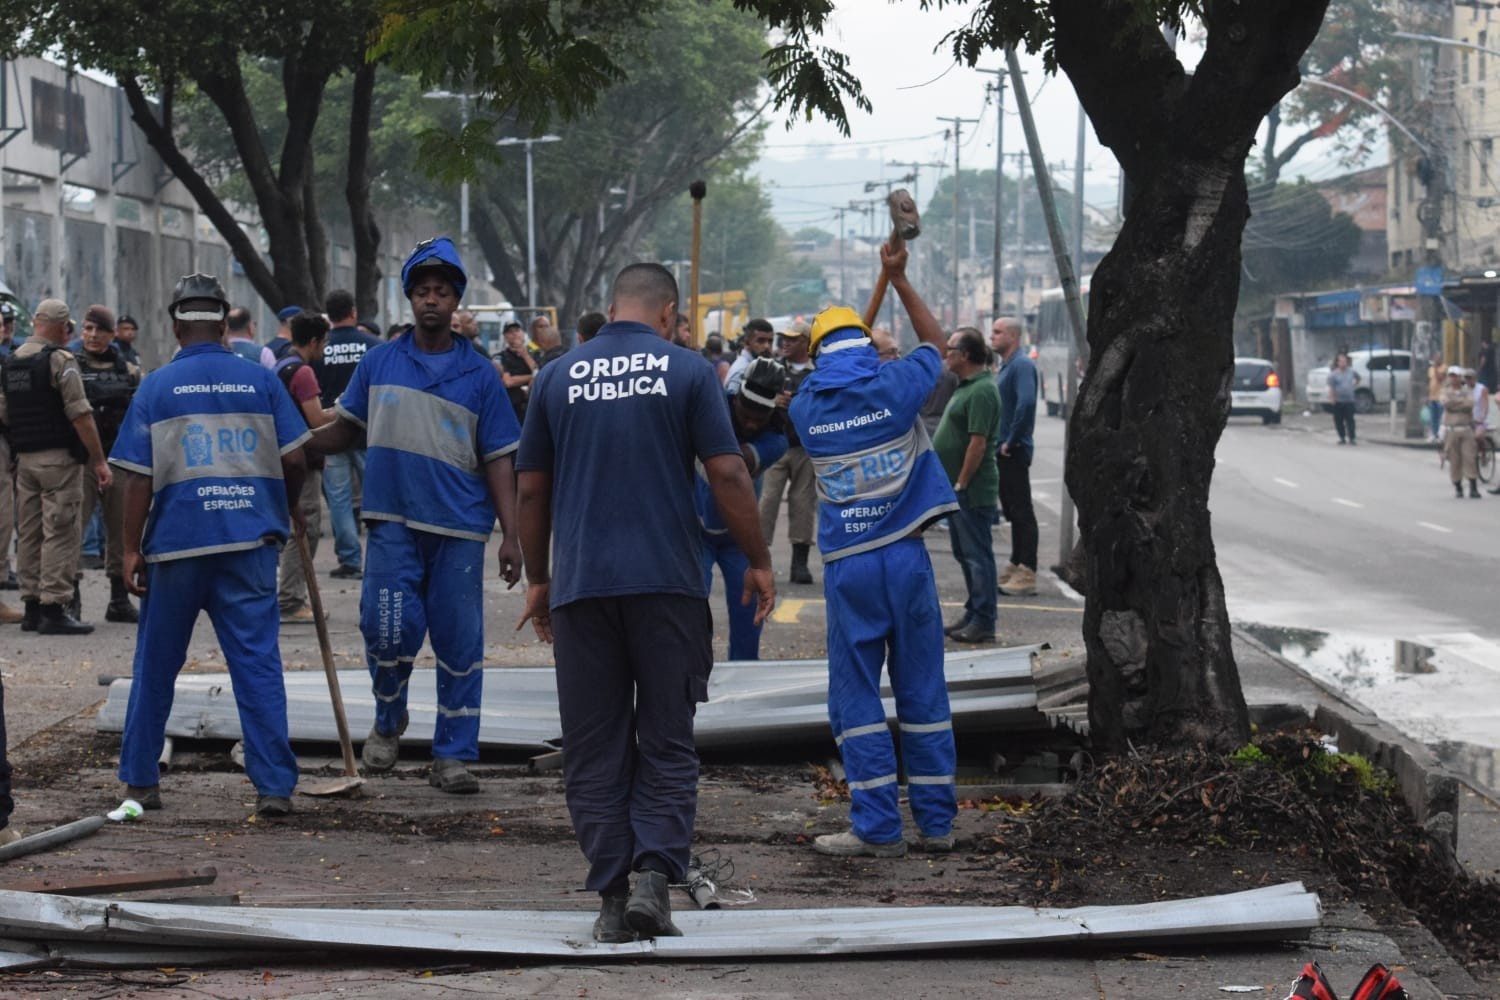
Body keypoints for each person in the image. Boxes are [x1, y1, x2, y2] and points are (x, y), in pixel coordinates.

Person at [515, 262, 774, 943]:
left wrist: (539, 579)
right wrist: (759, 559)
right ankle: (655, 884)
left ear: (611, 306)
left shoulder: (555, 377)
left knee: (595, 746)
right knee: (665, 737)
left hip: (582, 590)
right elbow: (727, 471)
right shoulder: (688, 372)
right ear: (668, 314)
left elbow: (531, 491)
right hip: (668, 586)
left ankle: (610, 897)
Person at [314, 237, 522, 796]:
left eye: (442, 291)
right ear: (409, 298)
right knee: (386, 630)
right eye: (423, 291)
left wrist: (512, 536)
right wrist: (296, 446)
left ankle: (453, 754)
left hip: (458, 529)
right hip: (391, 523)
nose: (432, 299)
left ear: (456, 301)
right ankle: (388, 721)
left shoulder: (481, 376)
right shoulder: (379, 362)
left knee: (459, 642)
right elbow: (345, 428)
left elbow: (501, 459)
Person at [110, 272, 309, 817]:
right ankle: (274, 789)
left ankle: (141, 783)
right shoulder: (261, 382)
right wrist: (281, 506)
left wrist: (130, 550)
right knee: (256, 664)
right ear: (225, 324)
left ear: (175, 326)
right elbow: (295, 458)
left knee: (155, 665)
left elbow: (135, 478)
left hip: (175, 547)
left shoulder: (155, 387)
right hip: (248, 543)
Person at [786, 247, 959, 860]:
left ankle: (878, 829)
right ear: (867, 350)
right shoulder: (897, 386)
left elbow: (825, 378)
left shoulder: (806, 410)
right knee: (923, 691)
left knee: (856, 696)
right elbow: (939, 344)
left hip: (848, 568)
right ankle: (938, 825)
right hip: (906, 558)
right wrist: (901, 280)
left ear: (814, 357)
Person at [1, 299, 111, 634]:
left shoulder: (11, 362)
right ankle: (53, 607)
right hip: (60, 459)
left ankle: (32, 605)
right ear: (63, 328)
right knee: (61, 532)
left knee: (31, 534)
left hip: (25, 460)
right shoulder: (60, 360)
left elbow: (4, 413)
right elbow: (80, 414)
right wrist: (98, 459)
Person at [698, 357, 787, 660]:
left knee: (749, 615)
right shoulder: (715, 404)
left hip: (739, 537)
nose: (751, 424)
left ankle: (745, 673)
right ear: (737, 399)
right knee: (690, 610)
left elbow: (734, 464)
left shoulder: (777, 438)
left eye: (758, 420)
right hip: (693, 529)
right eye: (746, 415)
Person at [76, 304, 144, 623]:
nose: (91, 335)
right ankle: (69, 598)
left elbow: (140, 415)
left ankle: (119, 598)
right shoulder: (70, 365)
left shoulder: (127, 370)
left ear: (111, 334)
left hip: (117, 459)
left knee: (119, 530)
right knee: (73, 529)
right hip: (83, 460)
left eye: (99, 330)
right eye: (87, 329)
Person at [934, 327, 1001, 644]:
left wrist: (961, 482)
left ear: (966, 355)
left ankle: (984, 620)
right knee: (965, 555)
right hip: (955, 488)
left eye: (950, 349)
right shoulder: (966, 386)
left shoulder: (983, 390)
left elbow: (978, 443)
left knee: (978, 557)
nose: (946, 354)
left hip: (971, 491)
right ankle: (973, 611)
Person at [314, 289, 381, 580]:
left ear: (329, 315)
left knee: (339, 500)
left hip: (332, 433)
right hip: (370, 432)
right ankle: (385, 556)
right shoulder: (374, 347)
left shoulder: (321, 349)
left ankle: (351, 560)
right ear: (353, 311)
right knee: (380, 497)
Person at [275, 311, 336, 624]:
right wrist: (341, 411)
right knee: (304, 528)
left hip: (281, 456)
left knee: (296, 528)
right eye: (324, 343)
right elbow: (315, 420)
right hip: (302, 460)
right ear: (314, 341)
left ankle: (290, 596)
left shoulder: (281, 364)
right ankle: (290, 599)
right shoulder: (303, 372)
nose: (324, 349)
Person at [759, 321, 817, 585]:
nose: (785, 344)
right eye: (784, 339)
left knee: (803, 504)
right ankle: (759, 560)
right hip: (776, 441)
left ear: (806, 342)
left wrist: (801, 404)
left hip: (805, 447)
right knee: (766, 502)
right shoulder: (771, 368)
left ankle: (800, 563)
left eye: (792, 340)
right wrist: (773, 402)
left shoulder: (817, 372)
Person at [991, 316, 1040, 596]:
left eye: (998, 332)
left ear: (1012, 335)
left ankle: (1027, 570)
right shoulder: (1007, 366)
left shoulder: (1021, 365)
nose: (992, 337)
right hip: (1004, 449)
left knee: (1022, 512)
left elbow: (1028, 402)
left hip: (1014, 450)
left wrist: (1011, 440)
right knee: (1012, 510)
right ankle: (1016, 562)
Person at [1440, 365, 1480, 499]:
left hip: (1466, 428)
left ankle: (1473, 487)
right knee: (1454, 460)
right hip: (1451, 430)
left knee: (1470, 458)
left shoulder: (1467, 390)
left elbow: (1470, 404)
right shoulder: (1445, 391)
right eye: (1451, 376)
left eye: (1456, 376)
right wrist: (1459, 404)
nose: (1453, 379)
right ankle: (1458, 486)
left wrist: (1456, 403)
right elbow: (1446, 404)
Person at [495, 321, 539, 425]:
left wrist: (525, 355)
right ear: (505, 337)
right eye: (510, 332)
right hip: (514, 407)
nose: (515, 334)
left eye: (517, 330)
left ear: (523, 333)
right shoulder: (501, 356)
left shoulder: (535, 351)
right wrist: (533, 377)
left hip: (533, 405)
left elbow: (541, 371)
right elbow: (508, 381)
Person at [724, 318, 775, 394]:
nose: (767, 346)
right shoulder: (742, 371)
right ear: (747, 343)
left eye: (770, 341)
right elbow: (732, 403)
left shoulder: (757, 366)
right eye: (761, 341)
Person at [1326, 351, 1359, 445]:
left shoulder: (1352, 372)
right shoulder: (1334, 374)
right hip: (1338, 400)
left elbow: (1358, 378)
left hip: (1349, 400)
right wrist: (1332, 398)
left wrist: (1354, 384)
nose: (1343, 363)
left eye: (1345, 361)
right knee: (1339, 420)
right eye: (1341, 361)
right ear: (1337, 363)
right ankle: (1342, 437)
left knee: (1350, 420)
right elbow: (1331, 387)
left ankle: (1352, 438)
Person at [1427, 354, 1446, 444]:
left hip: (1440, 396)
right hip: (1432, 396)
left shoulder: (1443, 367)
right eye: (1435, 358)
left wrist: (1435, 368)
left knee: (1439, 417)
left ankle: (1439, 435)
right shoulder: (1430, 369)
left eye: (1438, 358)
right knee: (1433, 417)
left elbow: (1440, 378)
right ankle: (1434, 434)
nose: (1436, 360)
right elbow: (1430, 381)